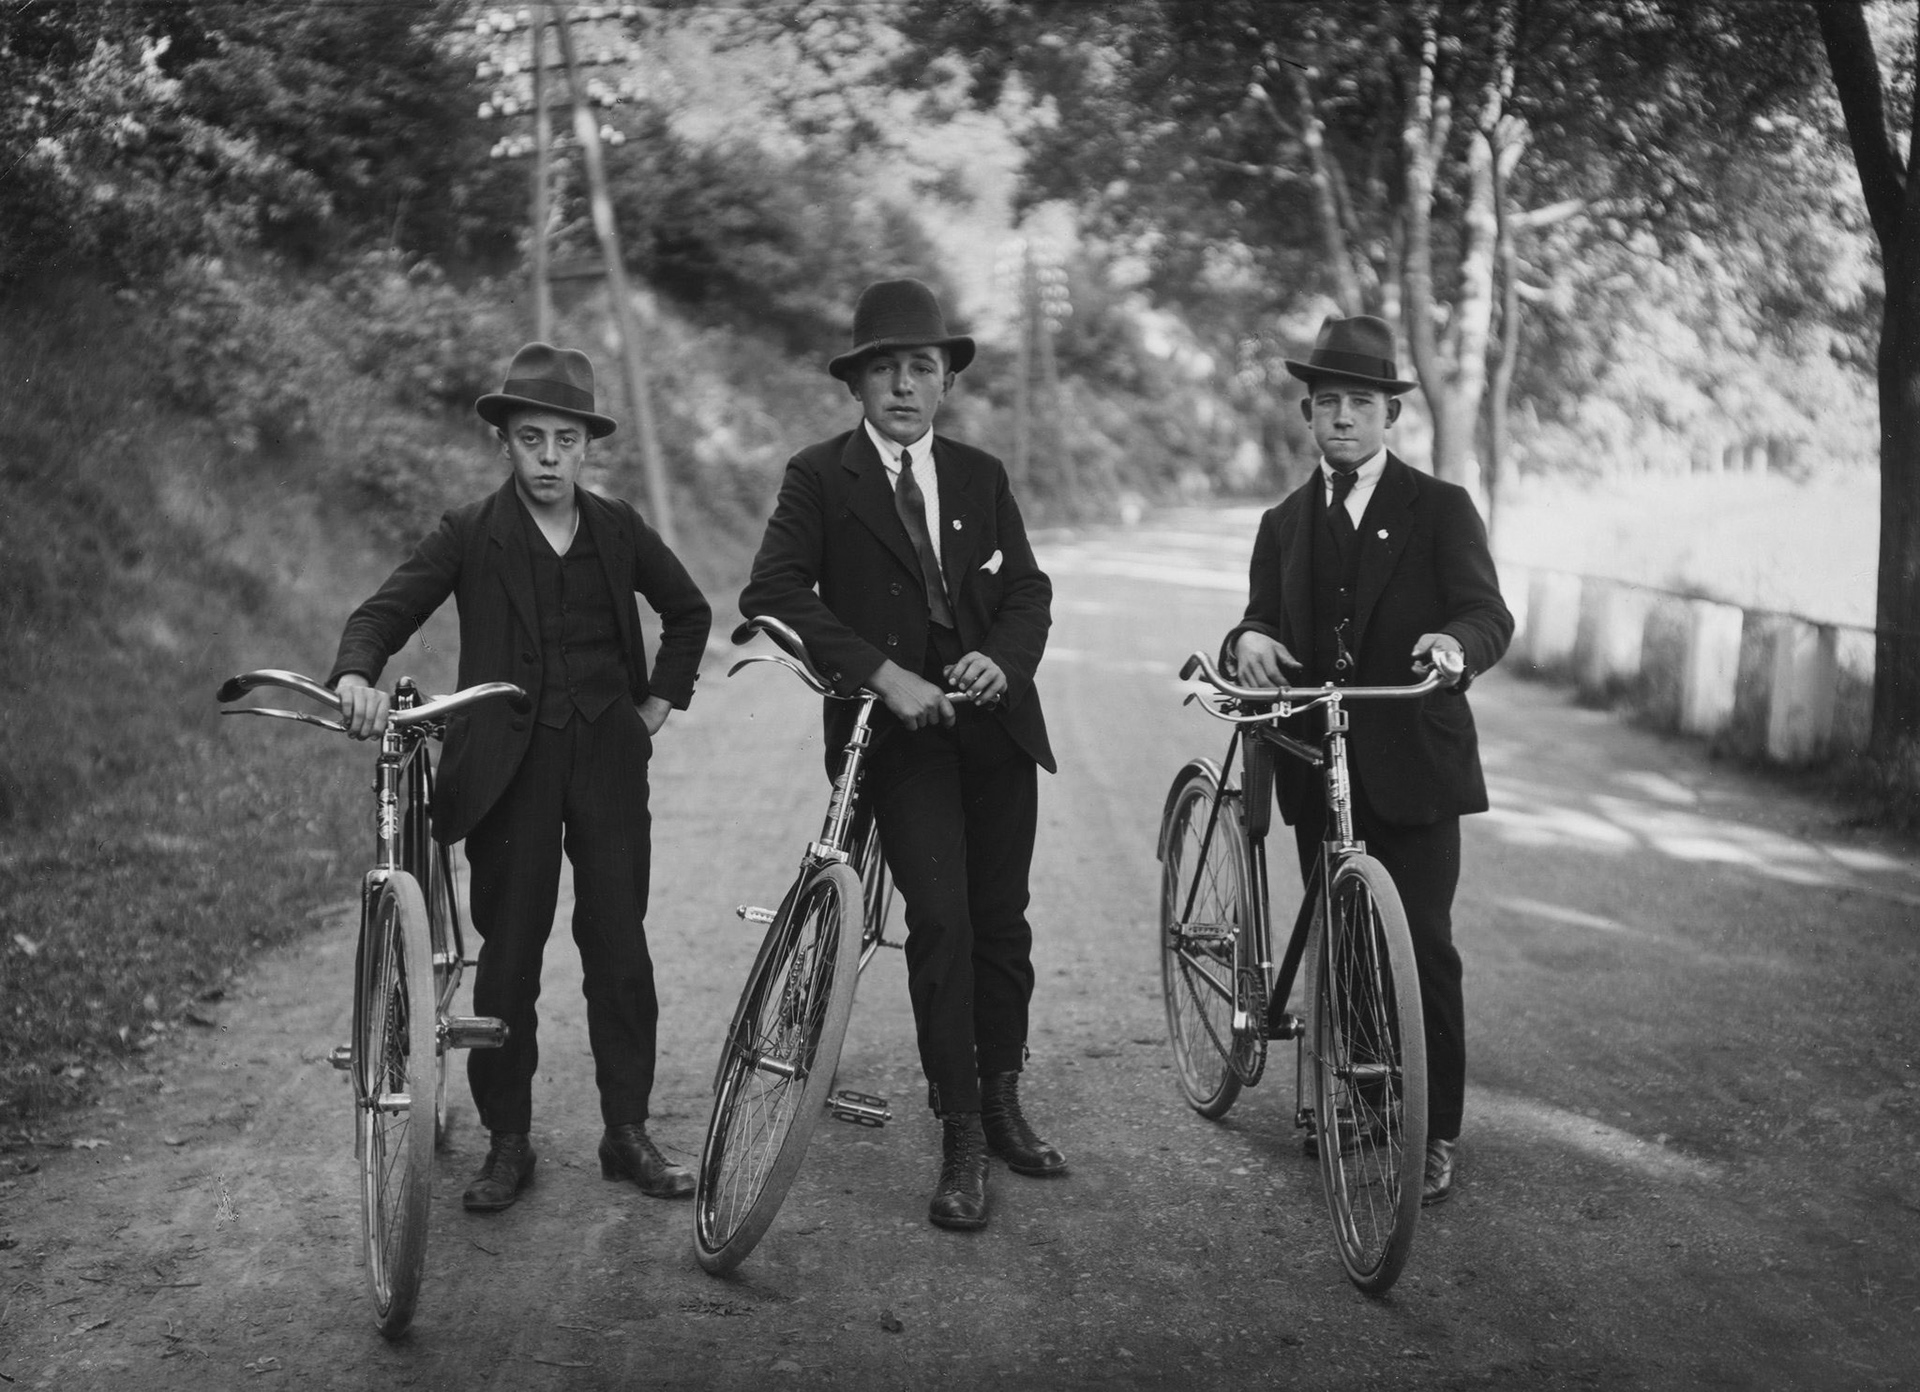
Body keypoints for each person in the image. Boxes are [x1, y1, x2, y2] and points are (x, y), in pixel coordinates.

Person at [327, 342, 712, 1212]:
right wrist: (356, 671)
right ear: (504, 440)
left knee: (619, 944)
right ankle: (508, 1141)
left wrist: (654, 707)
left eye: (564, 440)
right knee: (512, 954)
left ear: (586, 447)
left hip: (607, 762)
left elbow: (688, 612)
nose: (548, 457)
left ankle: (628, 1132)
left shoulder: (617, 528)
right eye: (531, 437)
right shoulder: (470, 532)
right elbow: (386, 609)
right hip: (511, 769)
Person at [739, 278, 1065, 1232]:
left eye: (921, 367)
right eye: (884, 369)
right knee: (944, 918)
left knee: (1003, 922)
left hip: (993, 724)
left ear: (946, 382)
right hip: (895, 735)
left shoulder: (980, 476)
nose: (904, 386)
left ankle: (1002, 1098)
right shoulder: (818, 476)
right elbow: (774, 591)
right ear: (858, 385)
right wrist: (885, 674)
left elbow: (1029, 593)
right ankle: (959, 1129)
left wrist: (1000, 663)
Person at [1224, 314, 1512, 1205]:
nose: (1344, 418)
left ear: (1391, 414)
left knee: (1423, 945)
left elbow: (1489, 615)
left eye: (1362, 402)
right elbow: (1258, 617)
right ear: (1308, 416)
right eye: (1328, 404)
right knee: (1348, 938)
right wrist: (1251, 642)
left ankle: (1433, 1129)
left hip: (1414, 757)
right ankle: (1371, 1098)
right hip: (1321, 758)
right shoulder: (1284, 522)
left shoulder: (1440, 508)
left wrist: (1454, 645)